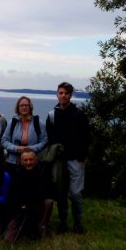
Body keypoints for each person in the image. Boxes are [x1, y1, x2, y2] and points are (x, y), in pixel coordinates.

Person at [46, 82, 91, 234]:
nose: (63, 96)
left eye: (66, 93)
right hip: (59, 160)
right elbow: (49, 138)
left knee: (76, 194)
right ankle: (63, 223)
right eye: (61, 93)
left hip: (75, 159)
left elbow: (86, 138)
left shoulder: (79, 115)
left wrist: (82, 158)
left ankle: (78, 223)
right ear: (57, 94)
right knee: (61, 193)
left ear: (71, 95)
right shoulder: (52, 115)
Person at [4, 150, 52, 242]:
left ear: (36, 160)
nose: (28, 162)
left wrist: (31, 204)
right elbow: (13, 196)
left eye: (31, 159)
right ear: (21, 161)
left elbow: (45, 193)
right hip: (20, 210)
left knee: (48, 202)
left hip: (36, 208)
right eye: (25, 160)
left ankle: (42, 227)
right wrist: (21, 205)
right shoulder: (16, 173)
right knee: (9, 239)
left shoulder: (43, 172)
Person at [2, 96, 48, 171]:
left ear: (30, 107)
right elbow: (4, 141)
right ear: (18, 108)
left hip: (32, 162)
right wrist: (16, 149)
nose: (24, 107)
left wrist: (30, 149)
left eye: (26, 105)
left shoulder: (38, 122)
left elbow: (44, 141)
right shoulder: (12, 123)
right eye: (21, 105)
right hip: (13, 162)